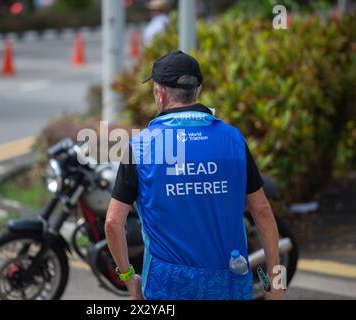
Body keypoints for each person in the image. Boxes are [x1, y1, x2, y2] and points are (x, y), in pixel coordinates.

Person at [105, 51, 285, 300]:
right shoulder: (232, 139)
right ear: (197, 90)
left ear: (160, 92)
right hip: (229, 284)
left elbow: (113, 223)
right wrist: (276, 281)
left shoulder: (142, 147)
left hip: (166, 287)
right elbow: (262, 211)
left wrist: (128, 278)